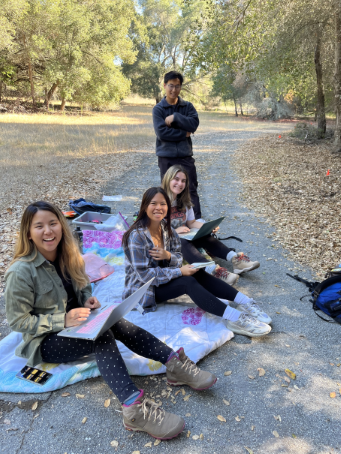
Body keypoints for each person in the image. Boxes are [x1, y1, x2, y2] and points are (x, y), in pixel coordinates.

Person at [5, 201, 217, 440]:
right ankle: (133, 409)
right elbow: (18, 322)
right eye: (39, 226)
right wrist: (63, 319)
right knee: (102, 336)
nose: (48, 231)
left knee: (114, 320)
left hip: (78, 322)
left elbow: (82, 285)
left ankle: (174, 364)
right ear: (28, 233)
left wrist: (87, 300)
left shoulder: (69, 254)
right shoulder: (21, 271)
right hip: (45, 341)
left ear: (61, 226)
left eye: (53, 223)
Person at [122, 187, 272, 338]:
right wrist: (179, 271)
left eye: (163, 204)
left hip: (162, 279)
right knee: (187, 282)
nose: (158, 208)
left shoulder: (167, 229)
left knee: (197, 271)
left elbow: (178, 258)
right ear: (145, 206)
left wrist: (168, 256)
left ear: (168, 207)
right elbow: (145, 276)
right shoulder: (137, 236)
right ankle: (235, 318)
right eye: (153, 203)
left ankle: (245, 302)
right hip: (143, 291)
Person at [161, 165, 260, 279]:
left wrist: (207, 227)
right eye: (176, 179)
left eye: (183, 181)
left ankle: (236, 260)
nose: (180, 183)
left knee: (203, 234)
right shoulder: (159, 200)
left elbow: (191, 223)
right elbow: (152, 231)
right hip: (167, 242)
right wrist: (175, 231)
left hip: (184, 237)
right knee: (181, 241)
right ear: (168, 179)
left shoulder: (184, 201)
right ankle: (213, 271)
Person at [152, 70, 202, 218]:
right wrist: (183, 133)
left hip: (185, 157)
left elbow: (193, 124)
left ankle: (197, 225)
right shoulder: (158, 109)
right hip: (166, 158)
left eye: (177, 86)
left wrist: (176, 117)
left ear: (181, 87)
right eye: (171, 85)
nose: (174, 90)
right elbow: (162, 133)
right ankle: (168, 225)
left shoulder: (187, 107)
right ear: (165, 85)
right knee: (168, 192)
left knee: (191, 190)